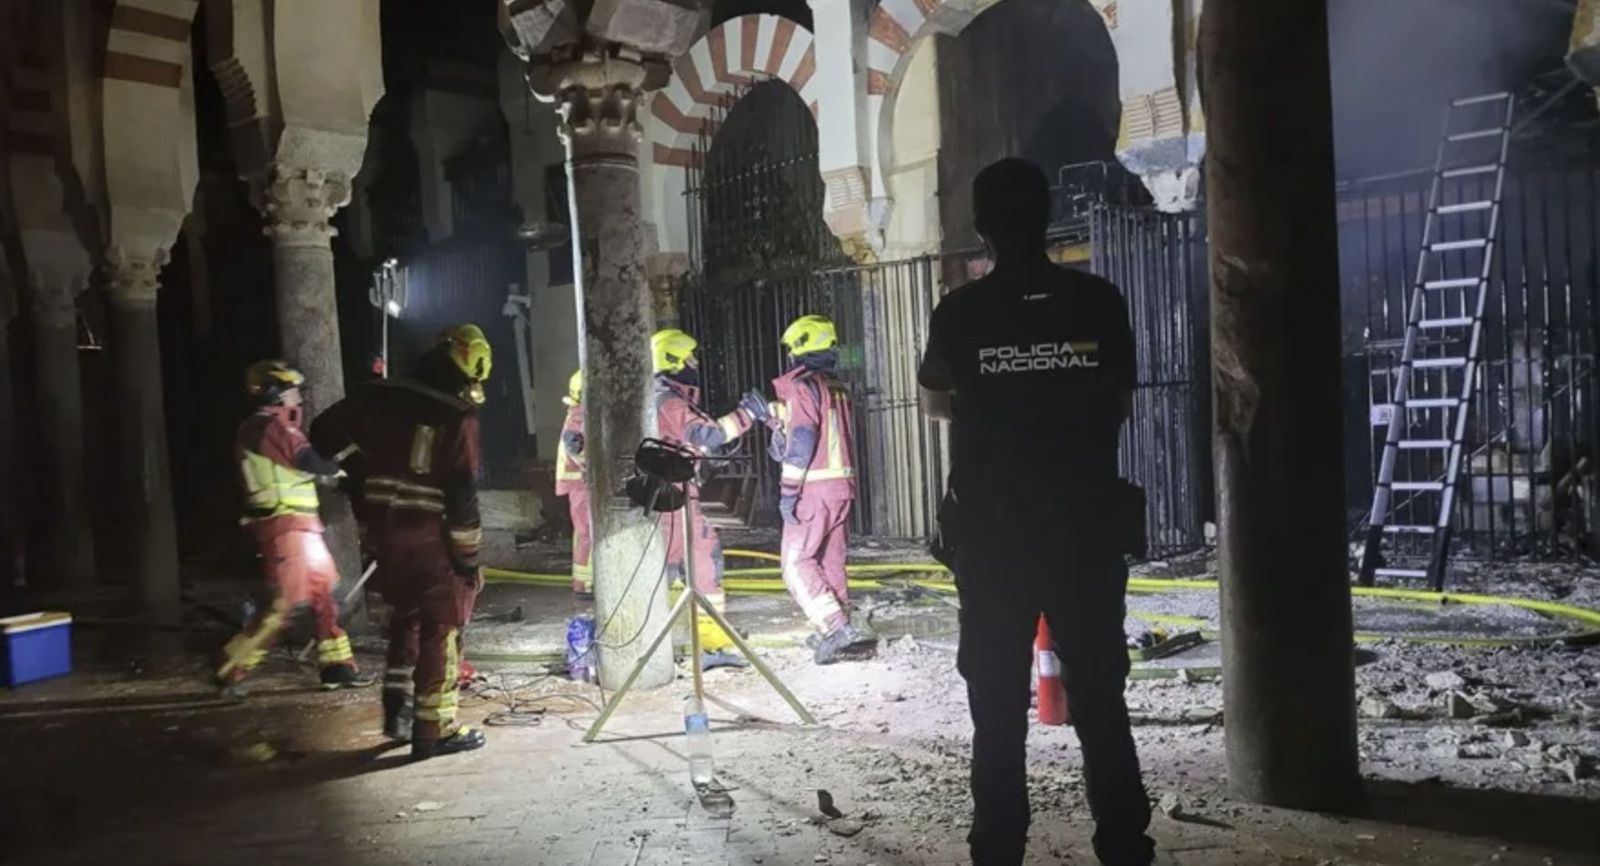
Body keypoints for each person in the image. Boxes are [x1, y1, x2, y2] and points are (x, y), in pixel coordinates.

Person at [916, 159, 1153, 866]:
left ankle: (997, 849)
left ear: (982, 227)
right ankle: (1124, 847)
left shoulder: (959, 314)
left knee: (996, 708)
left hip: (994, 538)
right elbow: (1120, 403)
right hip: (1083, 531)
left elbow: (935, 404)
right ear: (1047, 217)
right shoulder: (1099, 302)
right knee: (1102, 702)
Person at [312, 324, 493, 760]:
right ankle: (434, 729)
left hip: (383, 532)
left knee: (407, 615)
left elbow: (322, 429)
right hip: (430, 534)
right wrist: (468, 560)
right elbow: (462, 492)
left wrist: (359, 473)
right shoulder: (458, 415)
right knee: (443, 627)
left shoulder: (381, 395)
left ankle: (399, 711)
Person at [216, 361, 371, 695]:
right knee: (282, 608)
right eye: (292, 392)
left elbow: (303, 470)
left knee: (323, 598)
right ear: (274, 394)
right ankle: (232, 666)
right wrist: (349, 470)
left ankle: (338, 668)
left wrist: (340, 478)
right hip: (285, 530)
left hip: (302, 529)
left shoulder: (265, 430)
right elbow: (309, 461)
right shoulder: (270, 429)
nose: (298, 399)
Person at [739, 315, 874, 665]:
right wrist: (770, 417)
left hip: (813, 489)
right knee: (830, 562)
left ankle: (835, 627)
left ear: (799, 348)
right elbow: (806, 427)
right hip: (841, 488)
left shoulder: (802, 386)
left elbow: (800, 440)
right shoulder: (833, 385)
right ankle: (844, 630)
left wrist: (787, 492)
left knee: (796, 563)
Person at [651, 328, 758, 669]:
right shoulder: (668, 401)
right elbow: (709, 433)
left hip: (670, 494)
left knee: (674, 569)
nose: (694, 363)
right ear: (673, 360)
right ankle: (704, 648)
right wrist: (748, 414)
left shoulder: (663, 398)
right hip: (675, 499)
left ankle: (670, 645)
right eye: (689, 357)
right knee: (700, 565)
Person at [556, 368, 592, 599]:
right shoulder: (578, 418)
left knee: (586, 532)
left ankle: (586, 581)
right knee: (587, 531)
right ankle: (585, 584)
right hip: (581, 484)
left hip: (582, 484)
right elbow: (578, 450)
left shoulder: (579, 415)